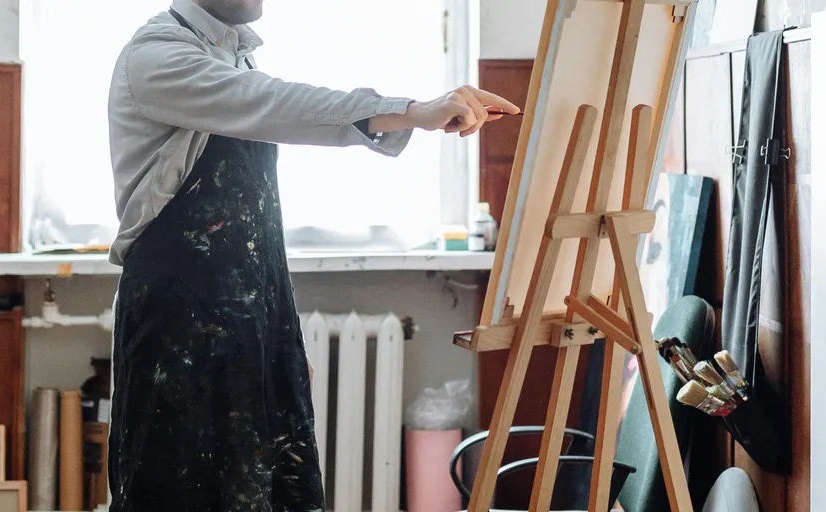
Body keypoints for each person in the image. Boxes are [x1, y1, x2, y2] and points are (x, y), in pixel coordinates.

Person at [106, 0, 519, 510]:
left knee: (270, 486)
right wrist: (414, 110)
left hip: (252, 307)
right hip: (180, 321)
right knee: (184, 486)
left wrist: (276, 331)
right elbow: (274, 103)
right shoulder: (157, 57)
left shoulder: (234, 55)